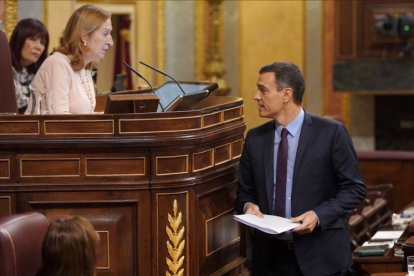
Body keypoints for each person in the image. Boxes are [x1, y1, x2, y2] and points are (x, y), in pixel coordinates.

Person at [235, 62, 366, 276]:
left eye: (263, 90)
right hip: (270, 261)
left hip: (322, 259)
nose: (255, 96)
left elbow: (354, 189)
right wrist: (248, 206)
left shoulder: (331, 133)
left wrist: (318, 214)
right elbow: (244, 191)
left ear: (286, 94)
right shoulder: (255, 138)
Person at [25, 5, 113, 114]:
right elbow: (61, 120)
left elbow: (85, 115)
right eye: (105, 33)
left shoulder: (84, 68)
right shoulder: (58, 64)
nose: (110, 42)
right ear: (84, 36)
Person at [9, 18, 49, 114]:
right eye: (33, 39)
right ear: (19, 39)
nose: (38, 47)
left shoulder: (35, 75)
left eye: (42, 42)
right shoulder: (5, 71)